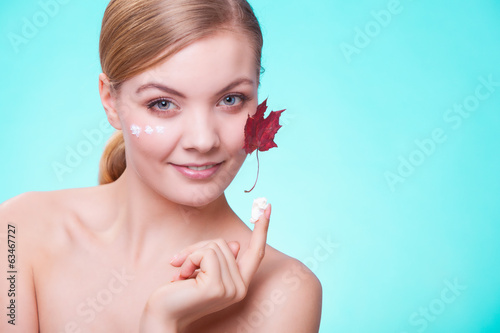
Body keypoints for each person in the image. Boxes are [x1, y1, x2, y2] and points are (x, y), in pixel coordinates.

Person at [0, 0, 322, 332]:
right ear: (111, 103)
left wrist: (162, 321)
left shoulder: (285, 291)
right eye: (163, 103)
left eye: (230, 99)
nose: (202, 140)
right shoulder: (17, 232)